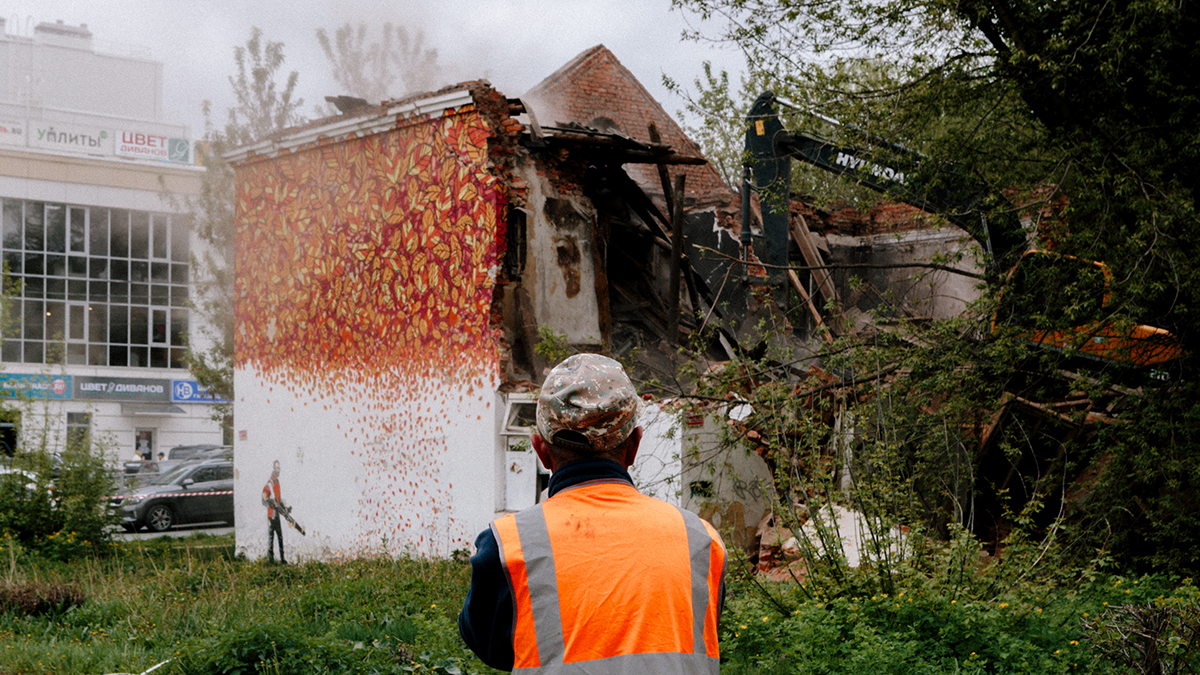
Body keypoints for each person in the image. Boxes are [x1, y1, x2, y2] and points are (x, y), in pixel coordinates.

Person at [458, 354, 727, 673]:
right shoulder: (701, 540)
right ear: (634, 446)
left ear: (541, 450)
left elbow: (493, 648)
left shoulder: (506, 546)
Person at [261, 460, 286, 564]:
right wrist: (272, 505)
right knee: (271, 538)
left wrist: (284, 508)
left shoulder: (277, 482)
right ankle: (270, 560)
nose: (278, 470)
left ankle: (282, 559)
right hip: (271, 516)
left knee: (280, 537)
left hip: (277, 516)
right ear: (273, 468)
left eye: (279, 468)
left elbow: (278, 498)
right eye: (277, 468)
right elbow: (263, 500)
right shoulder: (270, 483)